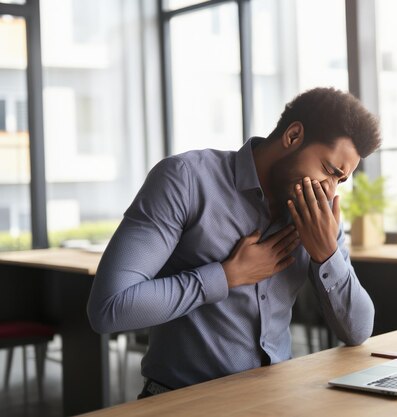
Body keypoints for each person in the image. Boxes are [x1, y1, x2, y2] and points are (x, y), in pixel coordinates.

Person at [87, 87, 381, 398]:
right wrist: (226, 276)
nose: (331, 191)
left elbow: (358, 330)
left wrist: (327, 254)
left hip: (276, 400)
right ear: (293, 136)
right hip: (182, 401)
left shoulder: (319, 216)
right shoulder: (185, 180)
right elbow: (109, 308)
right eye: (329, 171)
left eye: (340, 180)